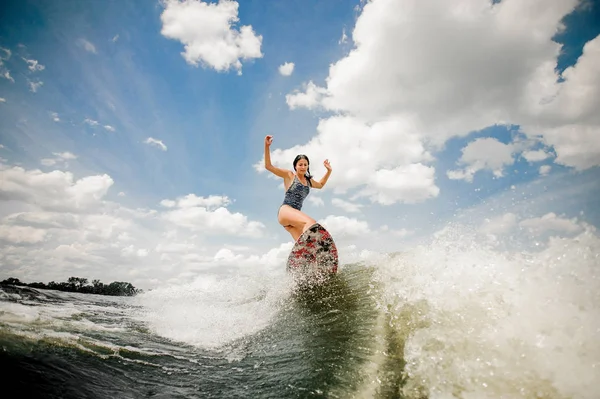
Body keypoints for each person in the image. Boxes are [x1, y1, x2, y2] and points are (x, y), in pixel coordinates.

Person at [264, 134, 332, 242]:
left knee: (305, 244)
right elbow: (269, 166)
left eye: (305, 165)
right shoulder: (290, 175)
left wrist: (329, 171)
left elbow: (321, 184)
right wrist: (267, 147)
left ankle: (308, 257)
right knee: (311, 224)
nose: (303, 167)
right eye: (300, 164)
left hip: (293, 220)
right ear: (295, 166)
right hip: (285, 211)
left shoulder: (309, 181)